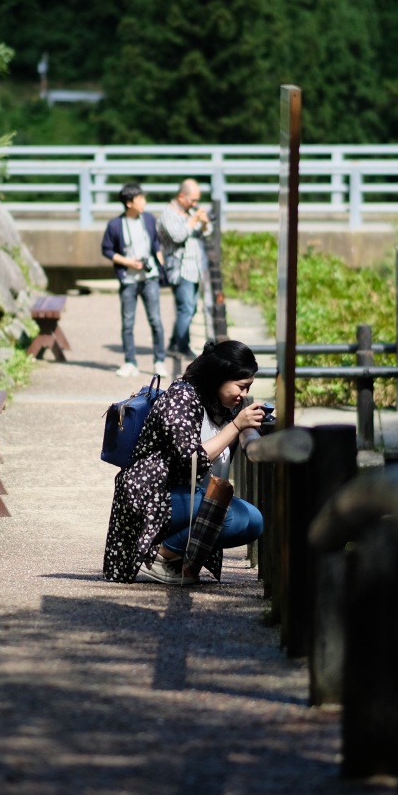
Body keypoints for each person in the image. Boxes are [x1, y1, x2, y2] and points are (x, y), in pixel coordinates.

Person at [102, 339, 265, 585]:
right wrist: (236, 426)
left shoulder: (213, 400)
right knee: (231, 516)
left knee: (253, 521)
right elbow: (192, 459)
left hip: (180, 492)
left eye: (248, 387)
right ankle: (160, 556)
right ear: (218, 377)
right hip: (151, 493)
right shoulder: (182, 396)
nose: (243, 395)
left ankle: (177, 560)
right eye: (241, 387)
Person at [101, 182, 168, 379]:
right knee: (128, 322)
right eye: (140, 199)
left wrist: (160, 260)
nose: (144, 202)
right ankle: (130, 362)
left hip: (150, 277)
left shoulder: (148, 219)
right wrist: (128, 262)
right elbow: (106, 250)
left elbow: (156, 242)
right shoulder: (115, 225)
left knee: (155, 320)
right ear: (129, 203)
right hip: (128, 279)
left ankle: (159, 361)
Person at [157, 178, 212, 362]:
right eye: (193, 200)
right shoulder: (168, 213)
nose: (195, 204)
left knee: (191, 308)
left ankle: (174, 343)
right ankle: (181, 346)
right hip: (180, 269)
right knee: (186, 309)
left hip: (194, 268)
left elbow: (207, 231)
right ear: (181, 196)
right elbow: (178, 235)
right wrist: (194, 218)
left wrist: (203, 222)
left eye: (197, 200)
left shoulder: (189, 211)